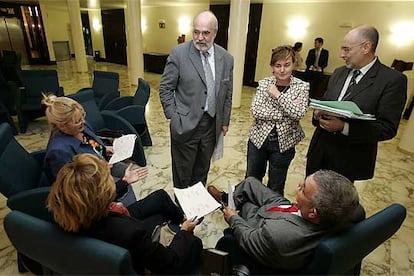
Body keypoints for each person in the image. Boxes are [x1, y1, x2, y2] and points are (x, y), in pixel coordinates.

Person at [47, 153, 202, 275]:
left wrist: (125, 182)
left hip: (105, 230)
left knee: (160, 198)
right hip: (135, 256)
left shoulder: (63, 210)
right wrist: (184, 231)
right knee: (193, 243)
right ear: (101, 196)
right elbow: (170, 263)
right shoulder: (131, 232)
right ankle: (184, 226)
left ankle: (180, 220)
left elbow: (89, 199)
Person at [306, 25, 407, 182]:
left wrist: (343, 127)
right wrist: (318, 113)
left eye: (347, 49)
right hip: (319, 153)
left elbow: (387, 128)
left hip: (348, 160)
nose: (341, 55)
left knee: (336, 205)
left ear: (366, 47)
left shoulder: (392, 80)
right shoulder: (339, 72)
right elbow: (325, 102)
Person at [207, 170, 360, 272]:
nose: (299, 185)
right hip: (291, 210)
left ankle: (228, 204)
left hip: (267, 224)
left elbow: (248, 238)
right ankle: (227, 198)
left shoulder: (278, 236)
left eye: (303, 189)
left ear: (313, 213)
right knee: (251, 183)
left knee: (246, 206)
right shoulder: (349, 210)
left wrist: (233, 218)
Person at [159, 10, 234, 189]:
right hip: (185, 125)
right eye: (196, 32)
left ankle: (196, 212)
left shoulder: (226, 58)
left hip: (211, 126)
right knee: (183, 174)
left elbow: (227, 92)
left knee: (202, 171)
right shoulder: (179, 53)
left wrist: (224, 121)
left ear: (215, 33)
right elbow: (165, 88)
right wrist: (174, 117)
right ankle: (182, 214)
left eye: (205, 33)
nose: (200, 37)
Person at [42, 94, 148, 205]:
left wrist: (104, 148)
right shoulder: (59, 152)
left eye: (83, 116)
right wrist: (100, 170)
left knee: (126, 171)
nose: (83, 121)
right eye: (77, 121)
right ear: (62, 126)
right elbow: (74, 188)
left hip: (103, 164)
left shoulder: (81, 127)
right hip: (91, 183)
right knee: (125, 188)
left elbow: (91, 143)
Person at [246, 46, 309, 195]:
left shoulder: (301, 86)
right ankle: (248, 210)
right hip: (258, 140)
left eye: (286, 65)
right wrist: (284, 114)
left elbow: (298, 113)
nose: (282, 70)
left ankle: (271, 216)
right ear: (272, 67)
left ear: (294, 64)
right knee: (252, 179)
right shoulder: (264, 83)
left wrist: (277, 95)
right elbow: (256, 110)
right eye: (277, 65)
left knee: (276, 185)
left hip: (284, 143)